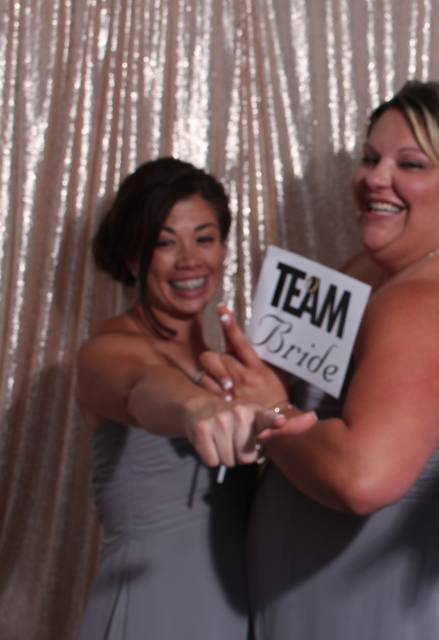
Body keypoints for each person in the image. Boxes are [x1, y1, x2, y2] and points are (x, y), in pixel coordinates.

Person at [201, 81, 439, 639]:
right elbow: (273, 372)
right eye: (370, 158)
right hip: (322, 594)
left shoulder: (426, 303)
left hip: (376, 609)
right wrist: (240, 387)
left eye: (411, 163)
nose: (376, 177)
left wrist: (272, 411)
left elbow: (362, 477)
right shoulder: (379, 270)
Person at [75, 157, 296, 639]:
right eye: (164, 243)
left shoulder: (236, 366)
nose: (190, 260)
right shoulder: (106, 352)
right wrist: (198, 408)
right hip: (148, 616)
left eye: (204, 237)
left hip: (237, 613)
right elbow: (144, 389)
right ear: (134, 256)